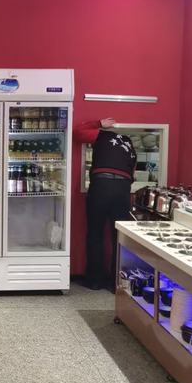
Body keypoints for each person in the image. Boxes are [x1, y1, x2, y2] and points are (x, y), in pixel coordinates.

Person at [75, 117, 136, 290]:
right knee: (119, 236)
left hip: (101, 185)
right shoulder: (130, 145)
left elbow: (77, 132)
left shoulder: (102, 135)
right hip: (122, 189)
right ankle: (116, 283)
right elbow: (132, 174)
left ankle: (94, 280)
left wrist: (99, 123)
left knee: (95, 234)